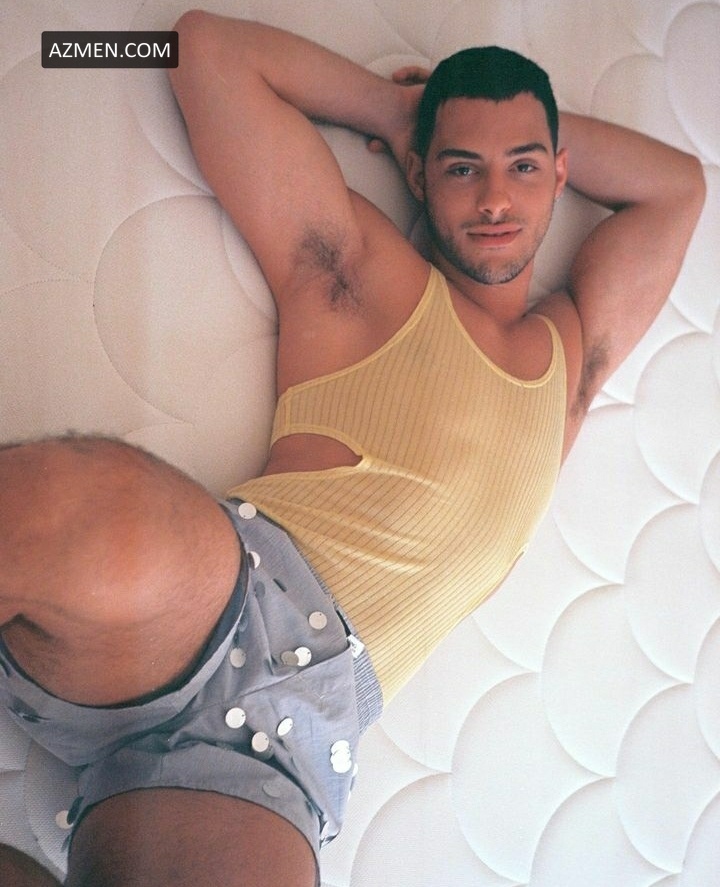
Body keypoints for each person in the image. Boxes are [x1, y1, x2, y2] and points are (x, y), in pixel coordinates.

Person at [0, 9, 705, 886]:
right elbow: (194, 48)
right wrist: (391, 107)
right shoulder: (363, 269)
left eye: (524, 167)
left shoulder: (572, 356)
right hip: (229, 588)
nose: (494, 199)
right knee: (78, 497)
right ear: (418, 172)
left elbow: (678, 187)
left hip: (300, 723)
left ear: (562, 174)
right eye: (461, 168)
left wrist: (489, 126)